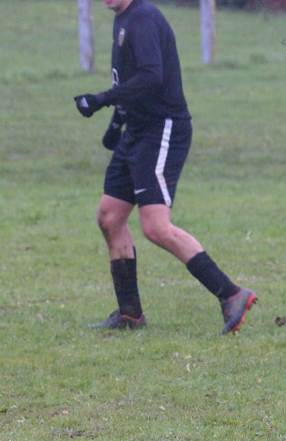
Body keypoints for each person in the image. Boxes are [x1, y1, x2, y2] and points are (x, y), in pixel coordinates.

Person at [73, 0, 256, 334]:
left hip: (161, 129)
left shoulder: (143, 18)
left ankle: (231, 294)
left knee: (156, 226)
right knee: (110, 217)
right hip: (136, 131)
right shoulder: (123, 18)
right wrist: (116, 124)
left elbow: (151, 78)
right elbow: (129, 82)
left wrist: (101, 100)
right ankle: (130, 315)